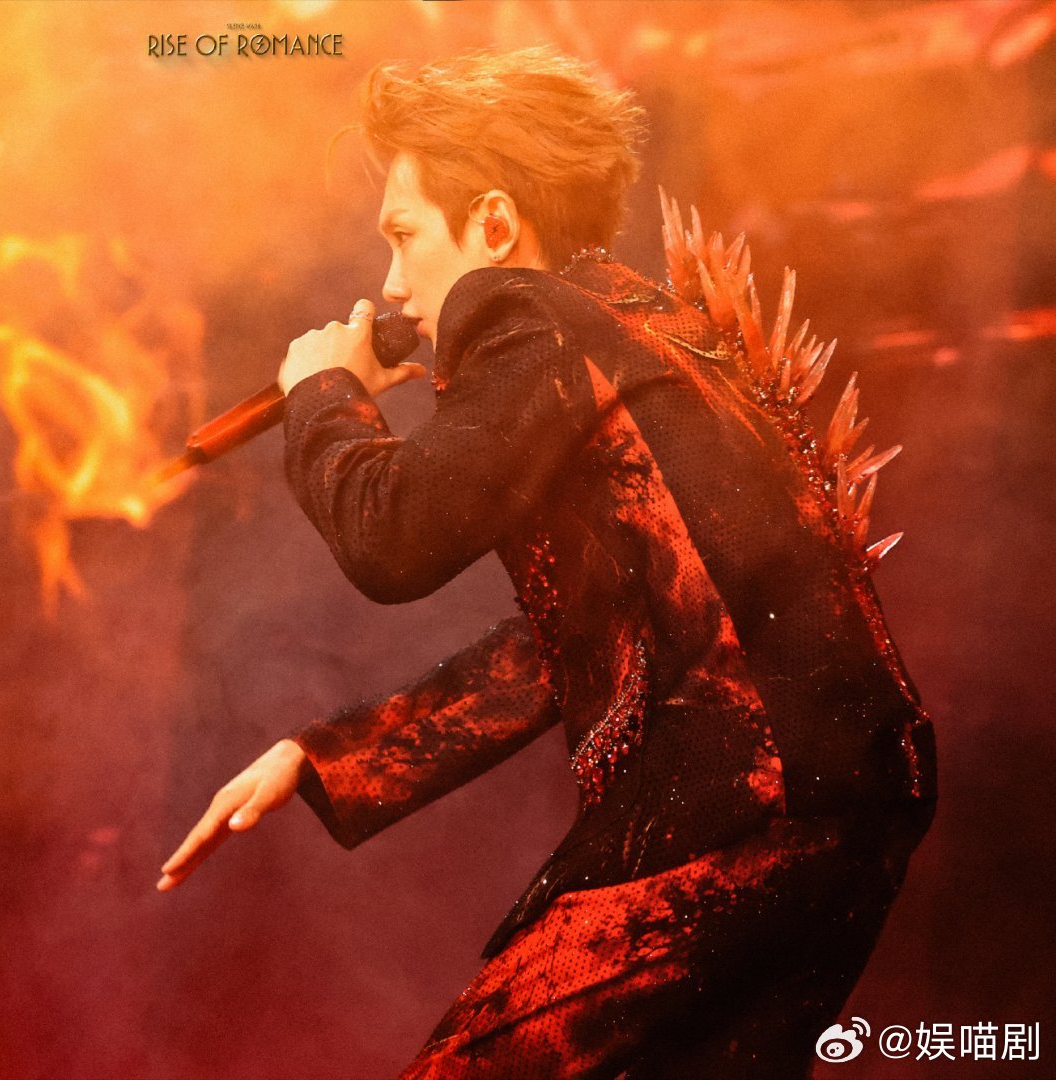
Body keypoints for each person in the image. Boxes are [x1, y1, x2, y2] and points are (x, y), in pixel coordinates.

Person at [158, 46, 937, 1078]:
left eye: (403, 237)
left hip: (736, 812)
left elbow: (391, 539)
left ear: (492, 225)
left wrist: (323, 396)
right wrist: (331, 754)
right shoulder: (639, 324)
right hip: (841, 806)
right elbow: (593, 631)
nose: (390, 282)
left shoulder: (526, 317)